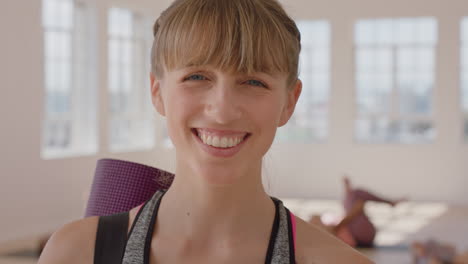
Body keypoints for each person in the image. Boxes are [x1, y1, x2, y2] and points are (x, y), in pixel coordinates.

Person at [38, 0, 373, 263]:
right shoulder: (75, 254)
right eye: (197, 77)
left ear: (289, 101)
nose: (223, 110)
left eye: (254, 81)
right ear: (157, 91)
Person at [310, 176, 405, 248]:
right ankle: (390, 202)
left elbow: (350, 215)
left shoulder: (353, 198)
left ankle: (390, 202)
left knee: (357, 196)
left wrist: (337, 226)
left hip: (360, 234)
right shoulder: (327, 228)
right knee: (357, 197)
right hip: (360, 235)